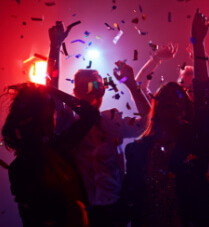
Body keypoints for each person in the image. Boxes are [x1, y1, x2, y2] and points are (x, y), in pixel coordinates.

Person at [119, 9, 209, 227]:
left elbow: (203, 93)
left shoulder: (196, 140)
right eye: (163, 95)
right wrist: (133, 82)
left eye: (178, 96)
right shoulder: (137, 150)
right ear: (155, 107)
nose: (170, 98)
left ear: (184, 107)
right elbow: (129, 200)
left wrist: (199, 44)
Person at [46, 21, 151, 226]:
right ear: (75, 93)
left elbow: (149, 123)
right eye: (87, 86)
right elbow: (50, 91)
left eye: (100, 85)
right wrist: (55, 46)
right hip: (82, 215)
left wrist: (131, 84)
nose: (95, 91)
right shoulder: (68, 122)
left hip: (117, 214)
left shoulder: (111, 121)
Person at [2, 82, 100, 227]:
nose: (48, 127)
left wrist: (53, 91)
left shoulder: (60, 146)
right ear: (32, 123)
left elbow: (90, 115)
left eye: (51, 119)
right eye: (44, 121)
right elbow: (32, 219)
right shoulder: (20, 169)